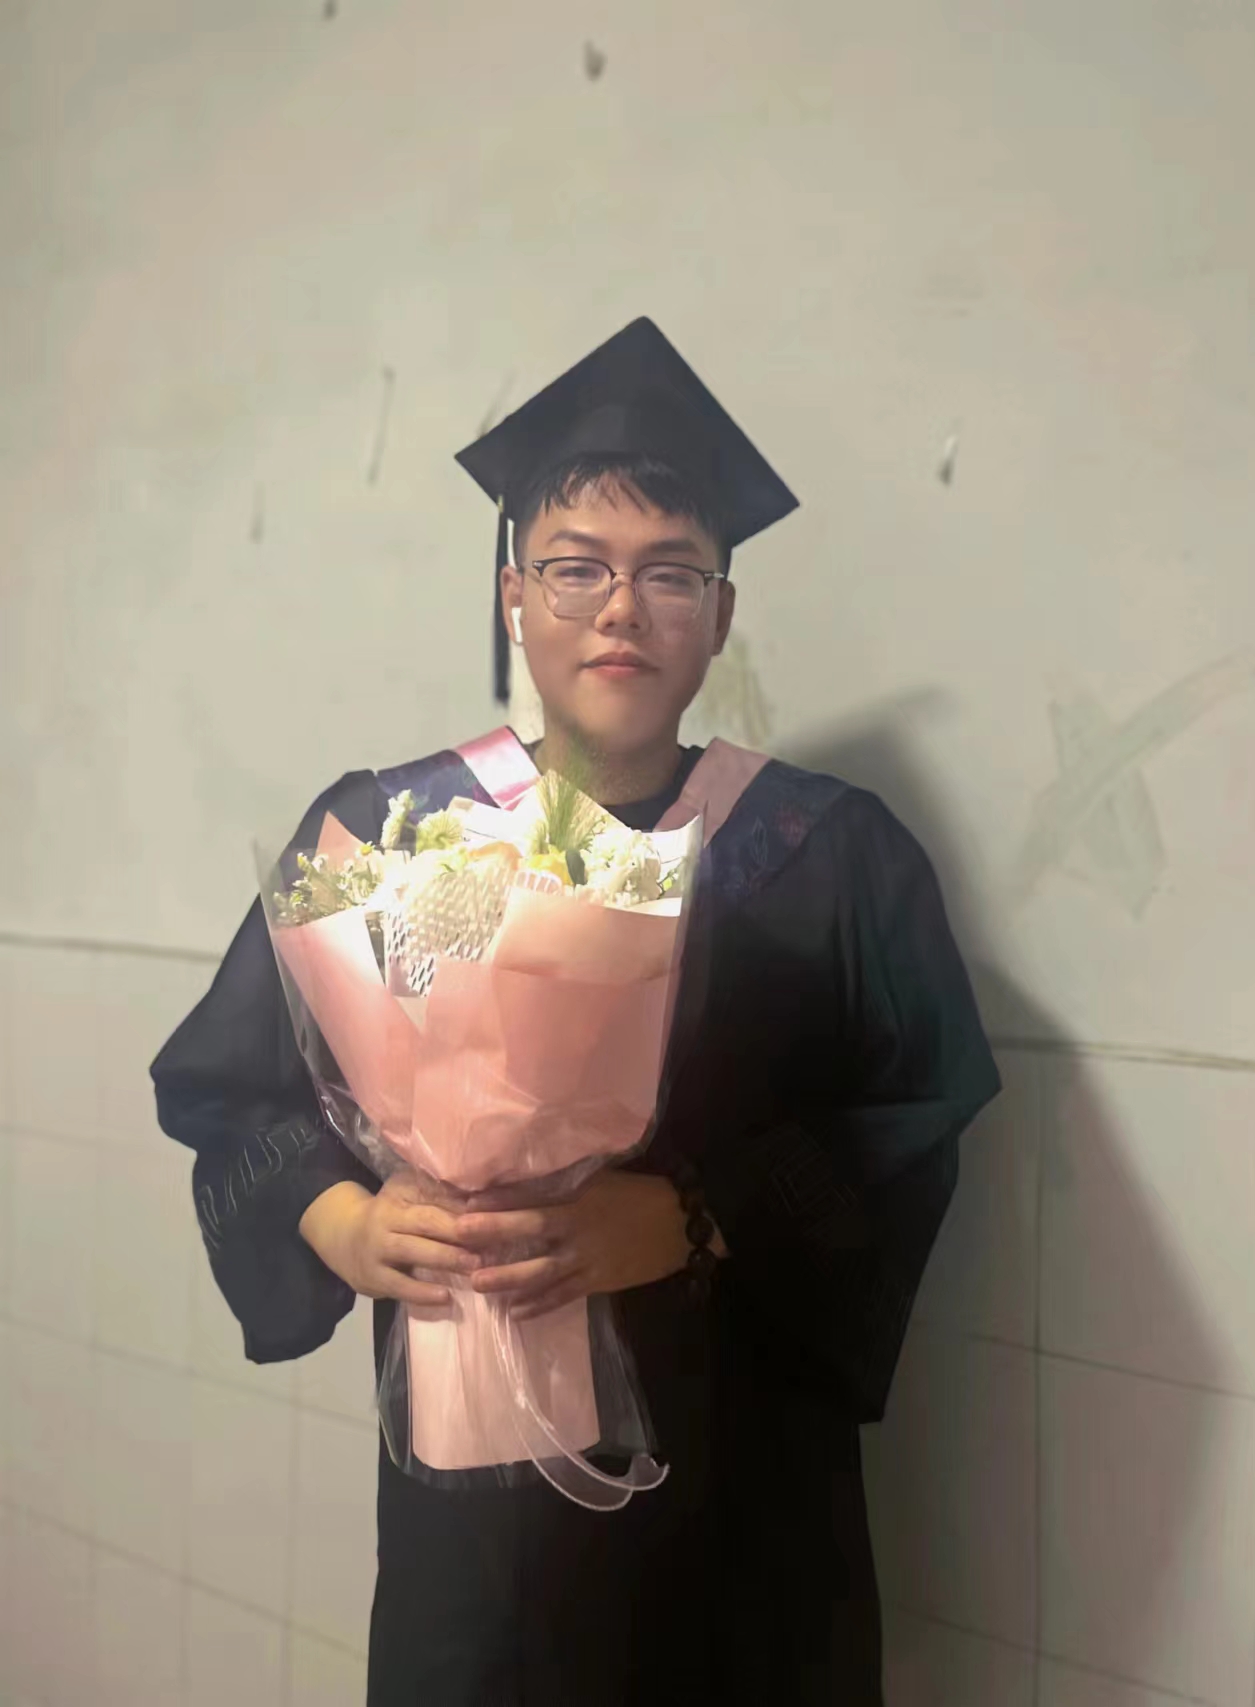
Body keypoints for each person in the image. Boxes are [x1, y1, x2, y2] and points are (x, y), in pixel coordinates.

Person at [152, 317, 1000, 1705]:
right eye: (576, 566)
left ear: (719, 613)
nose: (622, 608)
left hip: (746, 1514)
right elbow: (232, 1087)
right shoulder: (391, 834)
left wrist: (692, 1218)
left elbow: (916, 1118)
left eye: (671, 572)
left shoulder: (829, 854)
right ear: (513, 596)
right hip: (478, 1529)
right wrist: (344, 1223)